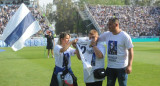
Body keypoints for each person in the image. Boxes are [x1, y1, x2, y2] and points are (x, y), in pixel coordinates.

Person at [98, 17, 134, 86]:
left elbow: (131, 50)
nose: (108, 26)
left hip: (122, 67)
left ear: (116, 25)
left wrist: (129, 65)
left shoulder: (125, 36)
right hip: (110, 67)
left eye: (110, 24)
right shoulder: (107, 34)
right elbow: (96, 39)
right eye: (108, 24)